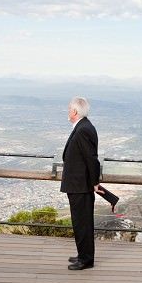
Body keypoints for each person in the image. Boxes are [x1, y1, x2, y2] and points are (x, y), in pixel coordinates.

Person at [60, 96, 101, 271]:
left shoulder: (83, 129)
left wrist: (94, 182)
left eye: (69, 109)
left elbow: (91, 159)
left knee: (82, 223)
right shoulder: (83, 127)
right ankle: (83, 254)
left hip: (81, 185)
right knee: (80, 222)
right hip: (78, 184)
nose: (68, 112)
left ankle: (85, 259)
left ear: (75, 111)